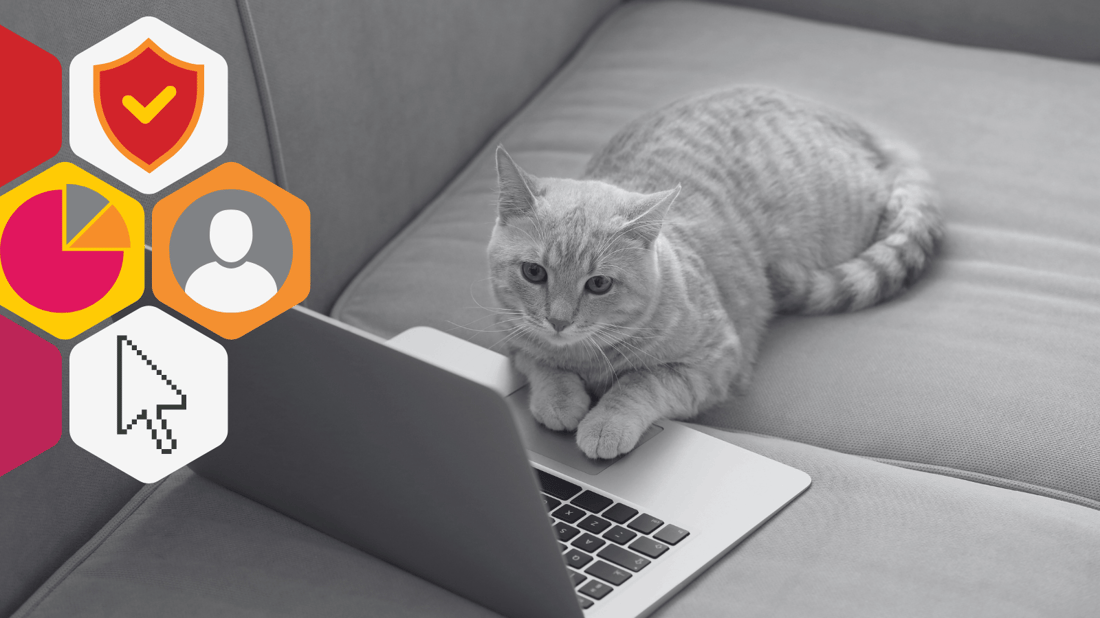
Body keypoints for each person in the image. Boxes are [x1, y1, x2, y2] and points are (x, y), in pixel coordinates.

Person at [185, 209, 278, 312]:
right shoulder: (197, 280)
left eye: (239, 234)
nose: (231, 241)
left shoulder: (264, 280)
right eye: (223, 234)